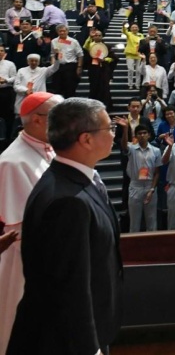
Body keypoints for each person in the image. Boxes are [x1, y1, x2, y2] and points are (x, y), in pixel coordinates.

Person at [8, 98, 123, 355]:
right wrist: (88, 347)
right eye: (110, 128)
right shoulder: (68, 202)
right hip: (64, 342)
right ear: (86, 139)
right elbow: (71, 287)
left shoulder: (69, 179)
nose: (115, 134)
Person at [0, 92, 62, 353]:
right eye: (58, 117)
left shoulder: (51, 149)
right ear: (37, 120)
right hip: (27, 265)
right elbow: (19, 229)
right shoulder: (12, 162)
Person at [114, 118, 161, 233]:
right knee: (134, 222)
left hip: (150, 186)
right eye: (139, 133)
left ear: (149, 135)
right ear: (136, 136)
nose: (142, 135)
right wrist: (125, 129)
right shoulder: (132, 148)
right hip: (135, 186)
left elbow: (157, 172)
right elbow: (124, 145)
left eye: (144, 133)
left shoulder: (156, 151)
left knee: (151, 220)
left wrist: (152, 189)